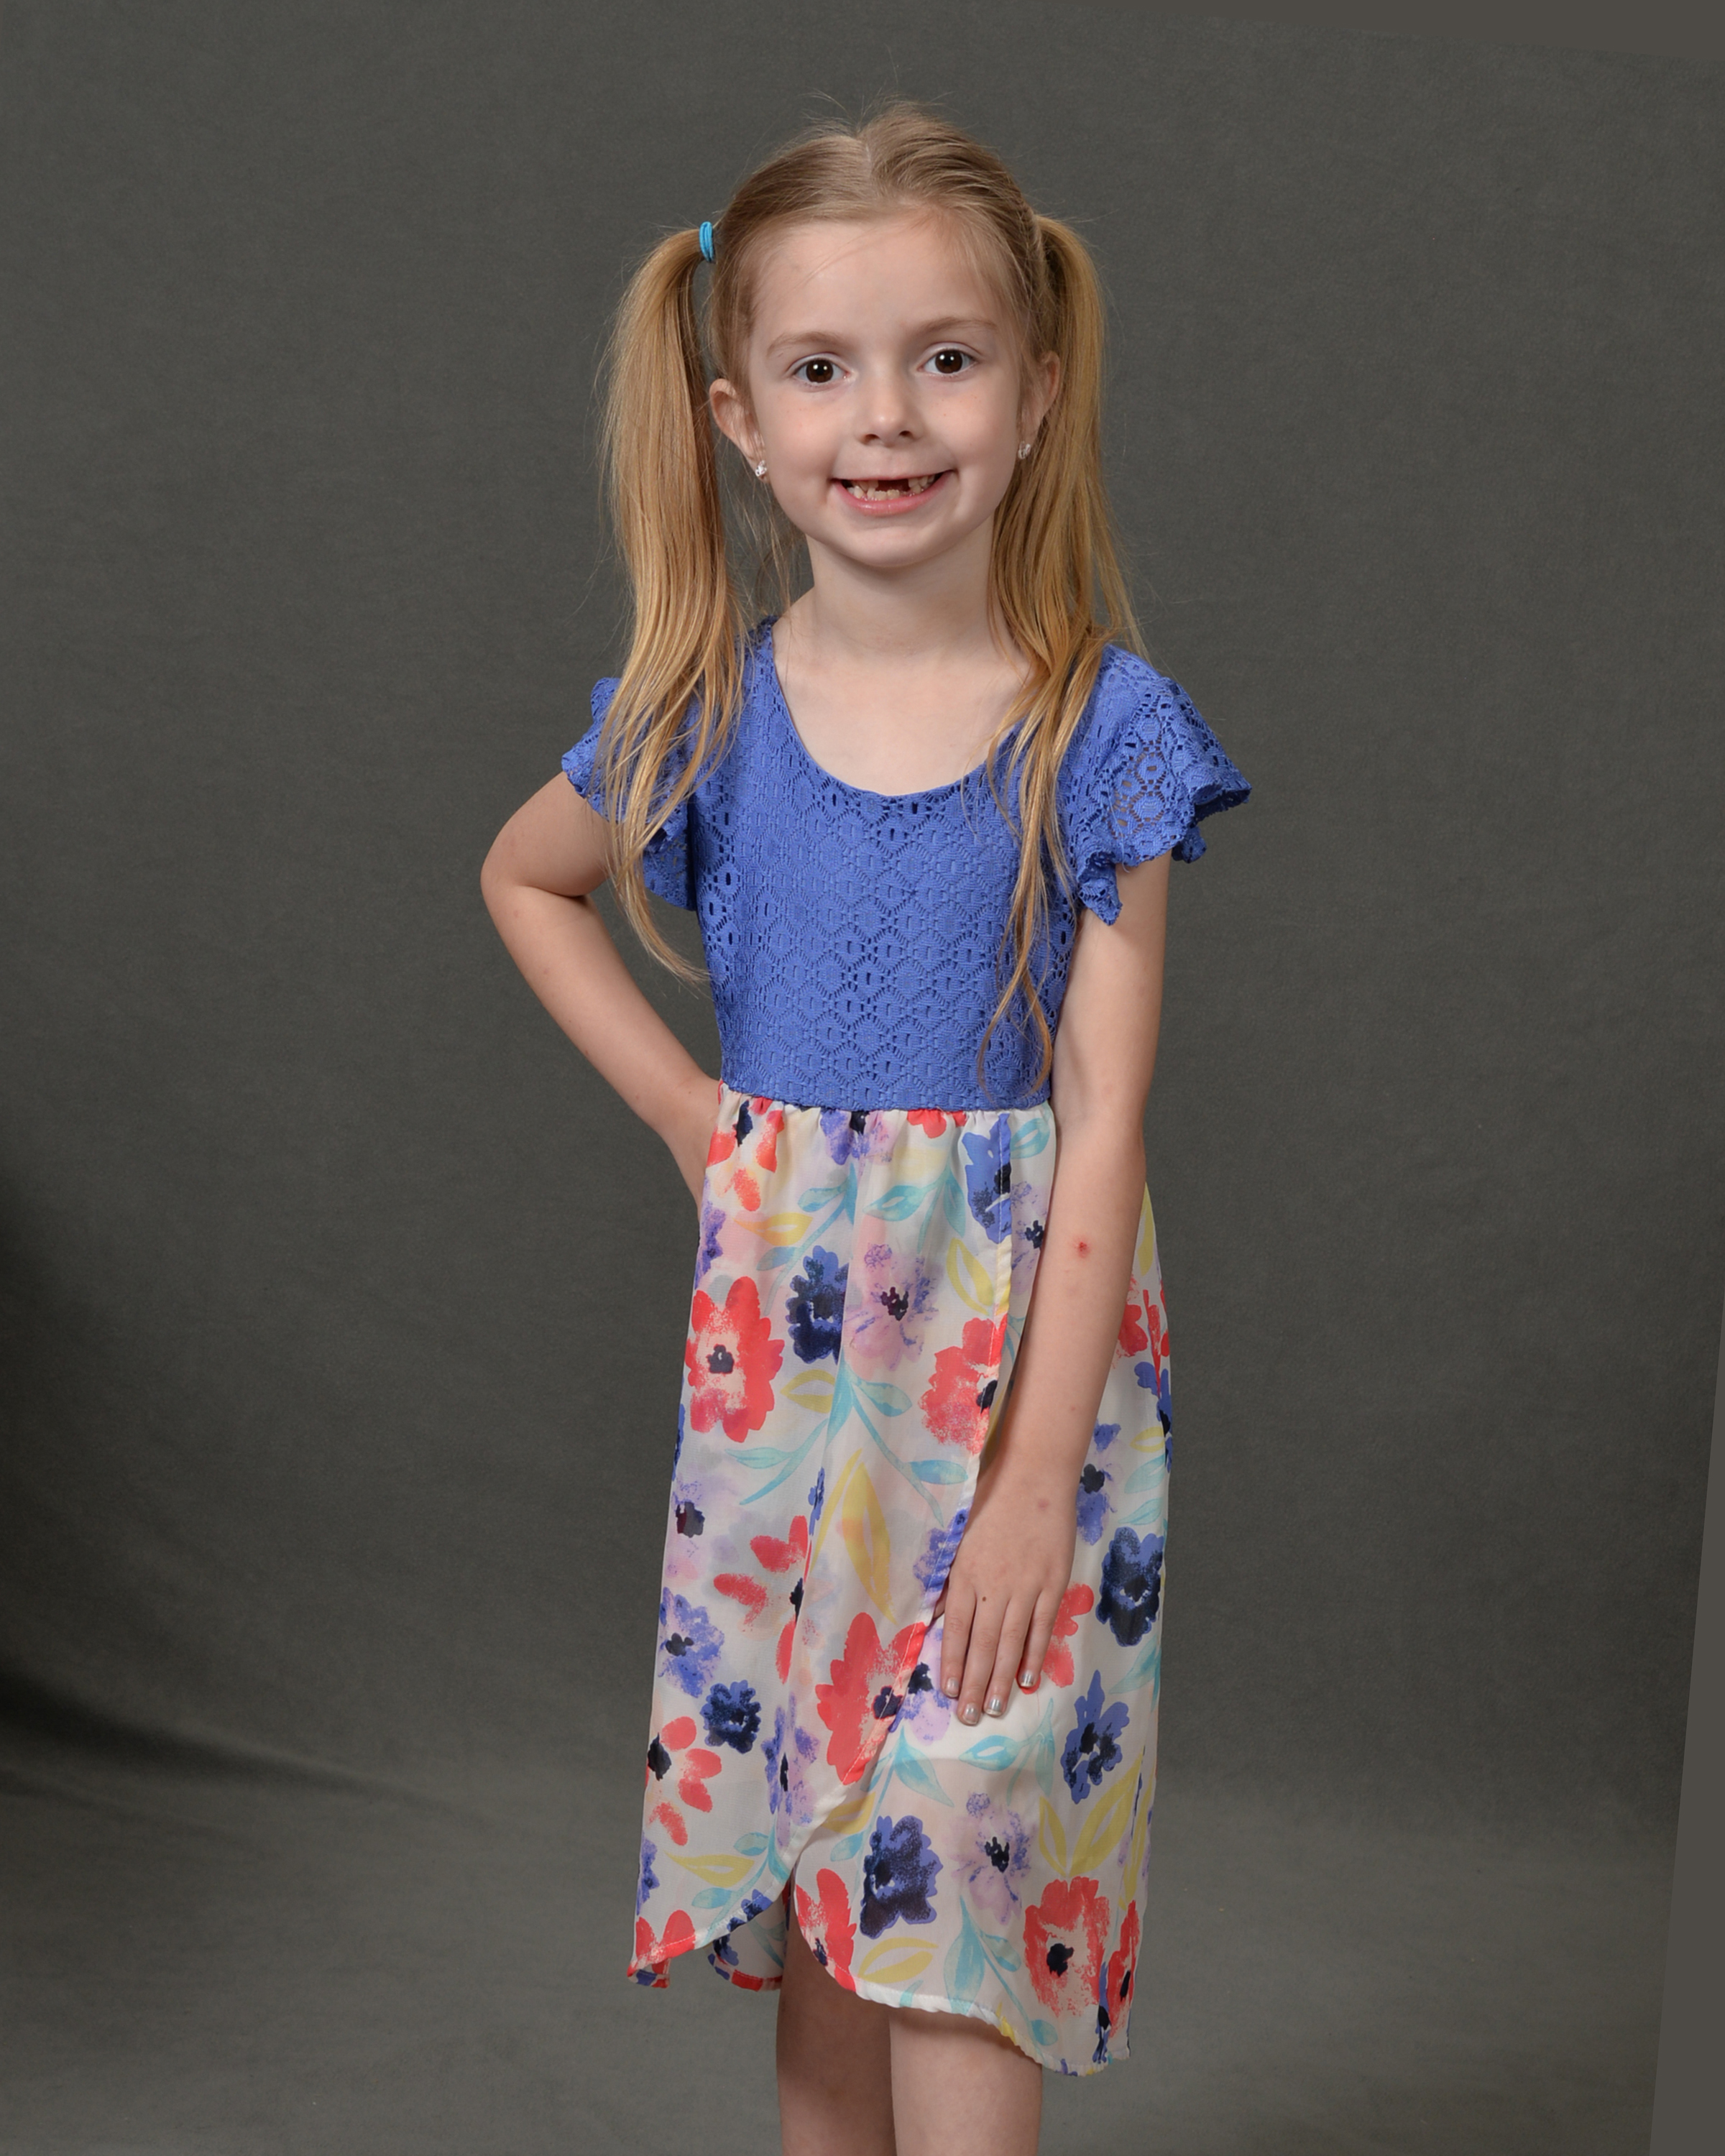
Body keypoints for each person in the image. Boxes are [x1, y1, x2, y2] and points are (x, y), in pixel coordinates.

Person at [482, 101, 1248, 2156]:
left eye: (947, 357)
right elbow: (524, 876)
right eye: (823, 368)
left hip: (1017, 1389)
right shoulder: (707, 709)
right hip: (790, 1395)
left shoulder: (1100, 730)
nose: (887, 417)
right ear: (741, 421)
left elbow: (1105, 1115)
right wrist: (693, 1114)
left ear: (1039, 388)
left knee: (958, 1886)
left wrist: (1033, 1481)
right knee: (826, 1863)